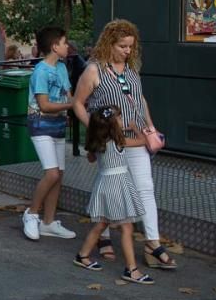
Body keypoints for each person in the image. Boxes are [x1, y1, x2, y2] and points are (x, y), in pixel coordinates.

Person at [72, 19, 174, 269]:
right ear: (109, 44)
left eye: (130, 46)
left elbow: (139, 99)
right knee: (109, 183)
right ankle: (103, 236)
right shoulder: (94, 70)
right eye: (122, 46)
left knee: (144, 188)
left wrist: (150, 126)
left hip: (135, 138)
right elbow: (78, 103)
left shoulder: (131, 69)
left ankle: (152, 242)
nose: (127, 51)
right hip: (110, 140)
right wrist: (98, 132)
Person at [74, 106, 152, 284]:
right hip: (118, 185)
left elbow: (91, 159)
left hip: (104, 185)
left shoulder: (98, 143)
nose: (122, 120)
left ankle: (83, 255)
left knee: (102, 223)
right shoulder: (119, 141)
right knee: (126, 227)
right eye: (120, 118)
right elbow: (142, 141)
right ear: (113, 124)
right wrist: (133, 128)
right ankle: (131, 269)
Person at [22, 27, 77, 241]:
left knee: (59, 175)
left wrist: (70, 106)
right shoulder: (40, 72)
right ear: (55, 46)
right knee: (52, 173)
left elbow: (67, 94)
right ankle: (32, 213)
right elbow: (44, 105)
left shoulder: (62, 68)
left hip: (58, 124)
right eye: (64, 42)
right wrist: (73, 105)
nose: (67, 46)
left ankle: (49, 222)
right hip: (41, 124)